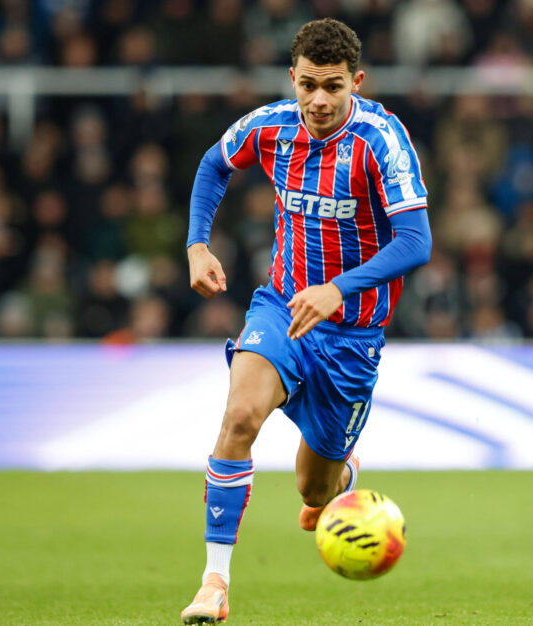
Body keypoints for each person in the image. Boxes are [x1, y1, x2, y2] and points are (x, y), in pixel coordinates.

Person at [180, 18, 432, 624]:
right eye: (309, 84)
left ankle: (342, 473)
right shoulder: (270, 126)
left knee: (313, 492)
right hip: (284, 307)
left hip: (353, 335)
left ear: (357, 82)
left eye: (334, 87)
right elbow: (214, 165)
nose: (319, 100)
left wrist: (339, 289)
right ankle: (214, 585)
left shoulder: (383, 139)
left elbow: (416, 240)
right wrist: (196, 244)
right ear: (293, 78)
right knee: (239, 416)